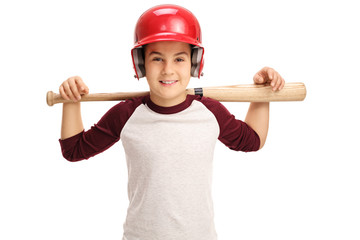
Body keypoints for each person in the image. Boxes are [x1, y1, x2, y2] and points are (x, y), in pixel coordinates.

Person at [58, 4, 285, 240]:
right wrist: (71, 100)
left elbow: (252, 140)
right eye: (157, 58)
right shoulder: (127, 114)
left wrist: (261, 95)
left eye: (179, 59)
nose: (168, 70)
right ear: (142, 63)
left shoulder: (210, 111)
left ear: (194, 63)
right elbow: (74, 150)